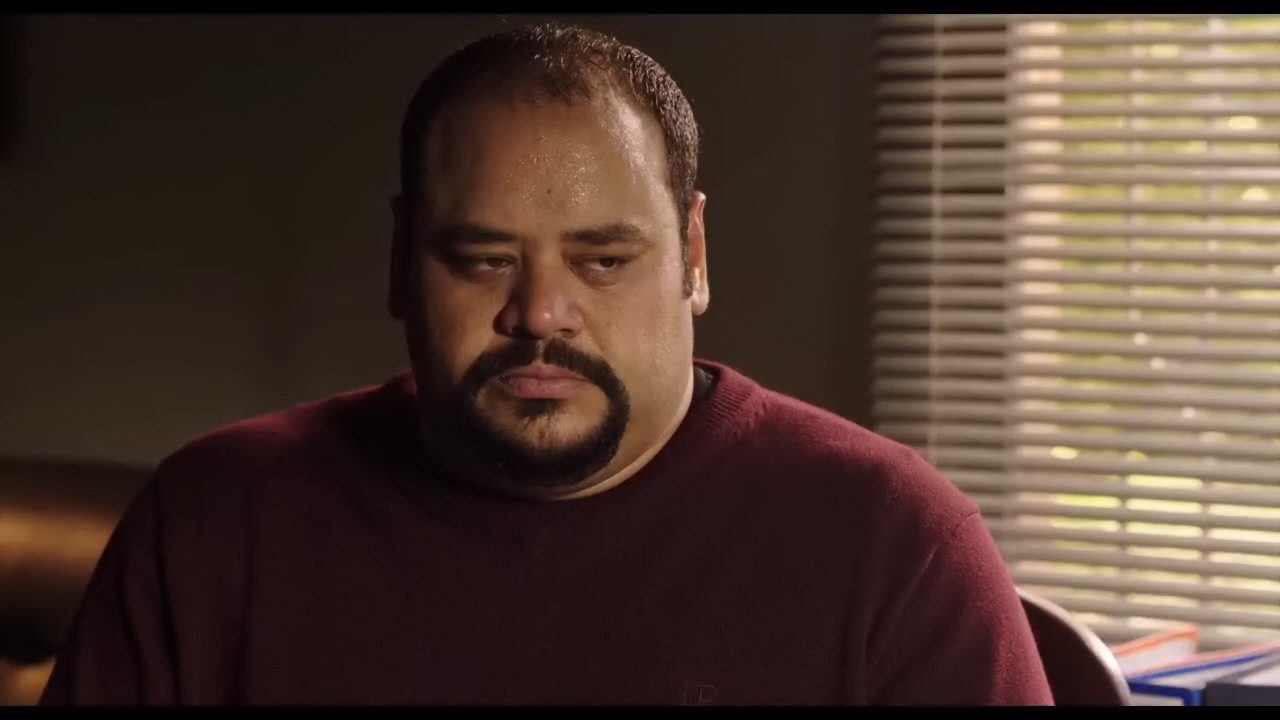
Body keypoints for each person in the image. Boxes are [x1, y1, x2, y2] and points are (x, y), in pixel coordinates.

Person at [40, 22, 1053, 706]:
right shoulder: (214, 519)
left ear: (694, 257)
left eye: (602, 261)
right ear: (400, 262)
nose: (539, 313)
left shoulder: (891, 544)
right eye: (482, 260)